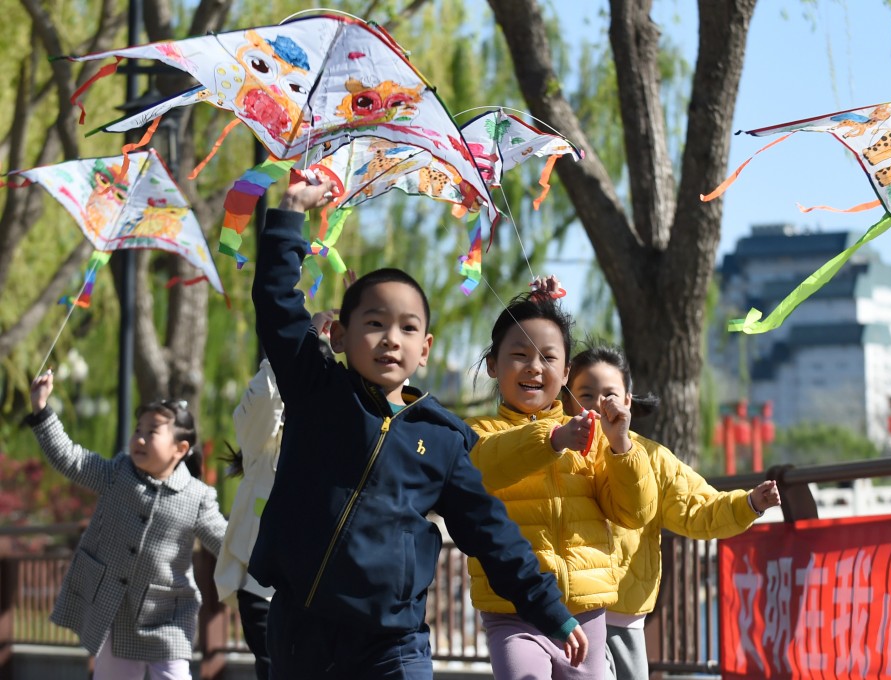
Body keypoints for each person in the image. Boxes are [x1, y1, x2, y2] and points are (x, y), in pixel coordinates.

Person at [247, 175, 586, 679]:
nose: (390, 339)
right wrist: (291, 209)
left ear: (424, 349)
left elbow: (491, 532)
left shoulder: (444, 437)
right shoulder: (315, 391)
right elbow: (277, 303)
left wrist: (549, 609)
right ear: (340, 335)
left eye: (407, 328)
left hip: (394, 640)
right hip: (303, 630)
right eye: (374, 323)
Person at [465, 279, 658, 680]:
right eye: (519, 355)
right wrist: (551, 439)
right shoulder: (477, 432)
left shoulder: (589, 435)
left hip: (586, 611)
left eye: (548, 358)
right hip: (513, 610)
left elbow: (633, 512)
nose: (535, 367)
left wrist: (621, 446)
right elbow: (487, 465)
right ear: (492, 365)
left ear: (567, 371)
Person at [563, 344, 782, 680]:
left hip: (624, 616)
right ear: (565, 396)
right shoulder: (553, 450)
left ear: (628, 400)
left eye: (609, 395)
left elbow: (698, 508)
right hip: (567, 616)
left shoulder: (653, 459)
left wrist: (748, 503)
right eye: (586, 394)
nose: (597, 405)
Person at [26, 372, 227, 680]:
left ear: (180, 449)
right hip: (115, 612)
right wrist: (42, 410)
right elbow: (70, 459)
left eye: (152, 431)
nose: (140, 438)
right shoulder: (117, 473)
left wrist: (267, 561)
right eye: (138, 430)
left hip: (168, 618)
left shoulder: (197, 497)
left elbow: (225, 542)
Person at [214, 310, 336, 680]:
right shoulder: (263, 445)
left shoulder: (338, 439)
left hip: (322, 586)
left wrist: (371, 328)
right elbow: (263, 405)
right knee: (274, 669)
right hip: (263, 585)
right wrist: (297, 344)